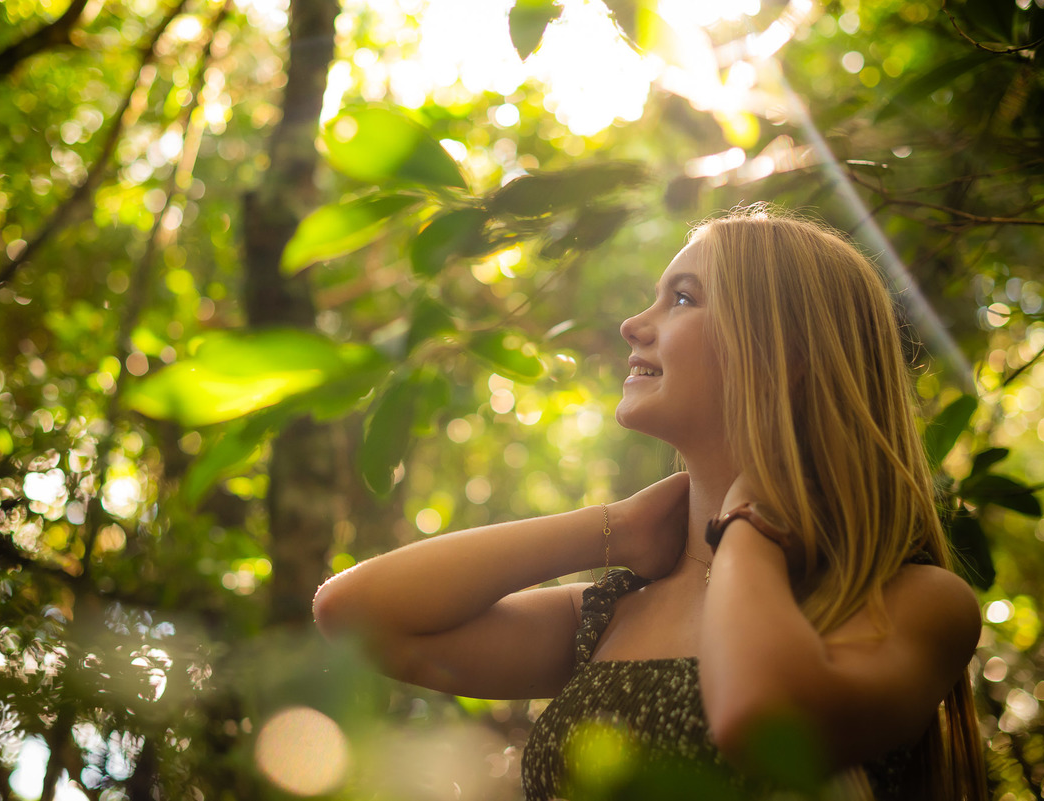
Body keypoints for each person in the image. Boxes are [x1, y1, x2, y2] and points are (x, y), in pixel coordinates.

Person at [312, 206, 986, 800]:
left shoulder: (910, 603)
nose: (636, 324)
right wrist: (617, 527)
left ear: (788, 353)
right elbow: (355, 614)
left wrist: (748, 521)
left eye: (684, 299)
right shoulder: (614, 610)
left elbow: (759, 716)